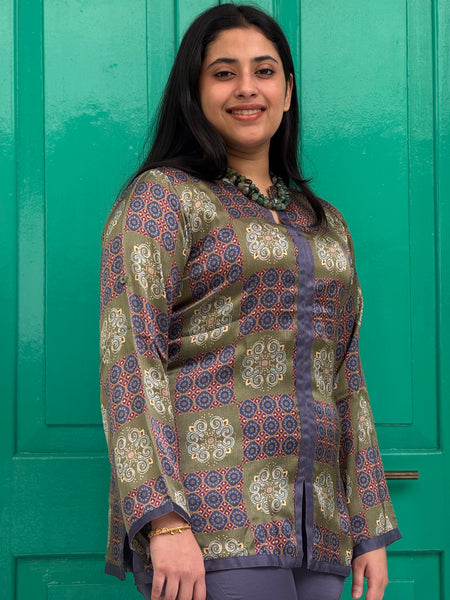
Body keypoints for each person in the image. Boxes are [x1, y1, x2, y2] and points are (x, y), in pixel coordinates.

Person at [99, 4, 401, 600]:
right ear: (195, 92)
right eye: (223, 73)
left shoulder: (325, 224)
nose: (246, 88)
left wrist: (367, 523)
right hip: (210, 519)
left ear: (287, 92)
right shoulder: (164, 199)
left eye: (264, 71)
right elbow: (129, 356)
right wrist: (164, 520)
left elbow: (345, 373)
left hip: (317, 525)